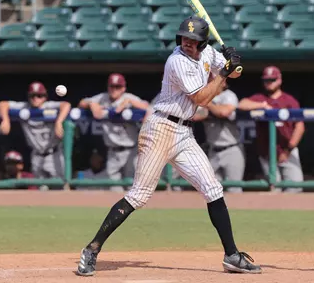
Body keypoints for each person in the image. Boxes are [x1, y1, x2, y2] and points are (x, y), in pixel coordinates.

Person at [76, 16, 261, 276]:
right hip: (160, 129)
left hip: (184, 132)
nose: (187, 43)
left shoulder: (208, 51)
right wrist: (224, 73)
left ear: (202, 42)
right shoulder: (176, 60)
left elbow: (235, 72)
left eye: (193, 40)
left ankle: (232, 255)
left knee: (213, 189)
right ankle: (91, 250)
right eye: (184, 38)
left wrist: (234, 63)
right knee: (139, 195)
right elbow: (202, 98)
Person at [238, 66, 305, 184]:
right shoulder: (260, 98)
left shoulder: (289, 100)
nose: (269, 83)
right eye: (266, 80)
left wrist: (288, 150)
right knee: (274, 186)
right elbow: (242, 104)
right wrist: (263, 105)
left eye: (272, 80)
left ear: (279, 80)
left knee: (296, 186)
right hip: (267, 152)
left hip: (287, 149)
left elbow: (300, 126)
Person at [78, 73, 149, 181]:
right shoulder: (102, 98)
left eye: (118, 87)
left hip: (131, 151)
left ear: (123, 88)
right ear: (108, 87)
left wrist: (131, 102)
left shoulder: (128, 97)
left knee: (133, 185)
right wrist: (91, 104)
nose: (114, 89)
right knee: (113, 187)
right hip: (112, 152)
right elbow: (81, 103)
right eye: (112, 86)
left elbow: (147, 107)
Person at [0, 82, 71, 179]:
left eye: (39, 95)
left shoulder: (49, 106)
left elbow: (66, 105)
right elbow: (2, 104)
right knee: (39, 189)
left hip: (53, 154)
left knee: (60, 186)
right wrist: (5, 120)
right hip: (36, 155)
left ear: (45, 97)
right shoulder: (25, 107)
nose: (36, 98)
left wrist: (59, 122)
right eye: (32, 95)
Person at [192, 80, 245, 188]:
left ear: (224, 83)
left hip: (231, 149)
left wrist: (208, 104)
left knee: (234, 189)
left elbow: (223, 112)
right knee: (211, 189)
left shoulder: (229, 96)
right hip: (213, 151)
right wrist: (211, 108)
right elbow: (195, 116)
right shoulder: (205, 97)